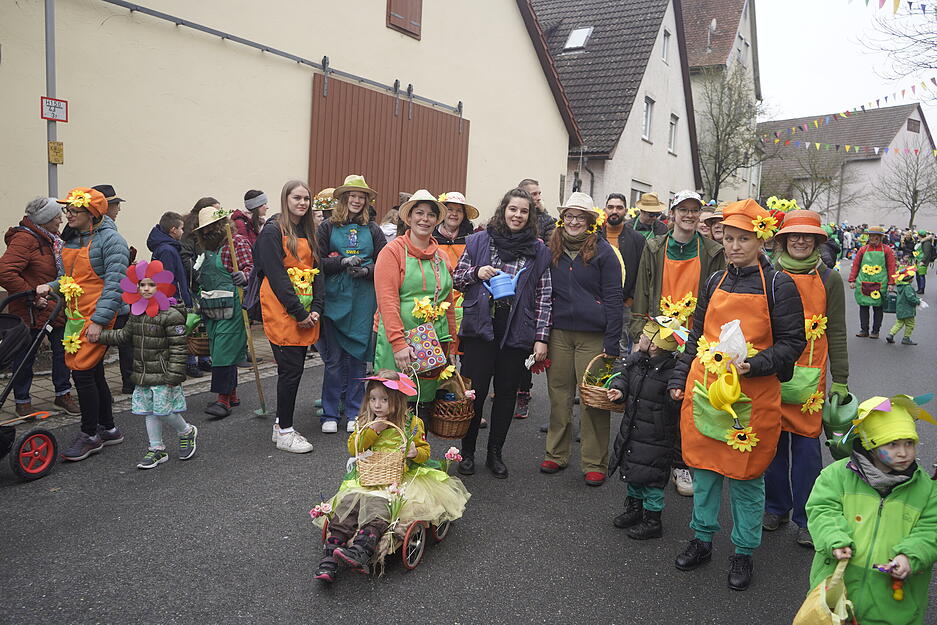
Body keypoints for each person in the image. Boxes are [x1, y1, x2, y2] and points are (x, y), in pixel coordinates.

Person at [667, 198, 805, 591]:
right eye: (728, 238)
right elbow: (696, 335)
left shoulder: (779, 285)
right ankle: (702, 539)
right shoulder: (714, 281)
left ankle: (743, 551)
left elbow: (793, 343)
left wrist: (755, 365)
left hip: (753, 397)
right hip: (707, 390)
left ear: (761, 240)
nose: (734, 246)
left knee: (746, 478)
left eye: (743, 238)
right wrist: (680, 376)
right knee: (706, 472)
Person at [312, 370, 470, 582]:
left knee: (380, 505)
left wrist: (415, 452)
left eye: (384, 400)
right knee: (348, 504)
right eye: (373, 399)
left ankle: (362, 549)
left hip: (398, 478)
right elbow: (354, 448)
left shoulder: (411, 423)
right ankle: (330, 557)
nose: (377, 405)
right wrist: (374, 429)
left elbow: (425, 451)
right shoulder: (366, 421)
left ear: (397, 400)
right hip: (369, 475)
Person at [805, 394, 937, 625]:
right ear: (871, 445)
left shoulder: (926, 489)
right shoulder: (836, 476)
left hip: (893, 604)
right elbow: (822, 510)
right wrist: (835, 539)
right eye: (892, 444)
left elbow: (931, 529)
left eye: (909, 443)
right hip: (837, 593)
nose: (903, 452)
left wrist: (910, 555)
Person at [763, 210, 849, 547]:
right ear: (783, 240)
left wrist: (841, 378)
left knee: (806, 451)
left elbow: (837, 331)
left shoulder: (830, 279)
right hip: (772, 371)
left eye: (807, 236)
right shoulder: (769, 274)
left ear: (816, 241)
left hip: (811, 378)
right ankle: (776, 507)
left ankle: (807, 516)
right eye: (794, 236)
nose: (800, 241)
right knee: (771, 446)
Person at [631, 189, 725, 497]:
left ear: (700, 215)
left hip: (696, 337)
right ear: (672, 214)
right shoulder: (654, 246)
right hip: (659, 334)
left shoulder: (712, 251)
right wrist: (641, 331)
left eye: (694, 210)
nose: (689, 215)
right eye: (683, 209)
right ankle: (655, 465)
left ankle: (682, 463)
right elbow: (643, 290)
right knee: (656, 403)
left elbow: (718, 297)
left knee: (686, 402)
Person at [454, 187, 551, 479]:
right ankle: (467, 452)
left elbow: (544, 296)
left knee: (507, 393)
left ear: (529, 216)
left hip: (517, 327)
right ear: (503, 210)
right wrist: (477, 272)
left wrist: (541, 337)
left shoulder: (538, 250)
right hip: (480, 326)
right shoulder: (479, 240)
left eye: (523, 211)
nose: (517, 215)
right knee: (475, 393)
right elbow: (456, 279)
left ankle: (495, 453)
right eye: (513, 209)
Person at [37, 187, 130, 461]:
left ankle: (90, 435)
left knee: (82, 373)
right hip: (76, 316)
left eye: (74, 211)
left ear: (91, 214)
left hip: (99, 316)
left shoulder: (112, 241)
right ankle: (109, 429)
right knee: (94, 372)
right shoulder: (73, 239)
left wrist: (99, 322)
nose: (68, 215)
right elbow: (69, 279)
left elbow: (115, 285)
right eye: (67, 210)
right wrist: (50, 287)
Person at [540, 192, 623, 487]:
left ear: (590, 221)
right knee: (559, 395)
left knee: (592, 399)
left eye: (580, 217)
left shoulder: (604, 252)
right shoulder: (551, 248)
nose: (574, 222)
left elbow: (614, 298)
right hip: (559, 333)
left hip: (594, 335)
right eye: (569, 216)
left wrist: (612, 342)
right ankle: (556, 453)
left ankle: (594, 462)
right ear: (562, 219)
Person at [95, 260, 198, 469]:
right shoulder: (137, 312)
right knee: (150, 412)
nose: (146, 289)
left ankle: (186, 431)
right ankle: (156, 449)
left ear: (161, 287)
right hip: (143, 373)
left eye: (151, 284)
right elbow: (124, 336)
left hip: (163, 373)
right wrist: (99, 336)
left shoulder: (171, 315)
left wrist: (174, 374)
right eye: (142, 285)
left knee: (163, 411)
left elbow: (178, 348)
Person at [253, 180, 324, 452]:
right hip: (282, 309)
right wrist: (299, 312)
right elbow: (276, 275)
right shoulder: (273, 231)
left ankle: (280, 425)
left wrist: (317, 307)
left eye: (306, 198)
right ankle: (285, 431)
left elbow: (318, 272)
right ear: (286, 199)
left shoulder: (309, 231)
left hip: (306, 309)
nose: (302, 203)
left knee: (293, 370)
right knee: (290, 371)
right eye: (297, 198)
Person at [373, 190, 457, 415]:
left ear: (436, 220)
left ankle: (419, 440)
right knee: (392, 405)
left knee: (423, 406)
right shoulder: (392, 252)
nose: (424, 219)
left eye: (431, 215)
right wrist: (399, 344)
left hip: (431, 344)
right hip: (397, 341)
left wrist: (451, 344)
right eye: (419, 213)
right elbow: (387, 301)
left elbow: (448, 301)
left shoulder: (441, 256)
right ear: (409, 218)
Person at [318, 175, 387, 433]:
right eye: (352, 196)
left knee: (357, 358)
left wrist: (367, 271)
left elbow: (385, 262)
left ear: (366, 201)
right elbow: (317, 262)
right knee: (334, 360)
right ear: (344, 199)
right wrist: (341, 262)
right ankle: (329, 413)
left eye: (361, 197)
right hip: (335, 299)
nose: (357, 200)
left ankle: (355, 412)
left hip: (362, 299)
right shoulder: (326, 227)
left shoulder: (373, 229)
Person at [0, 197, 79, 417]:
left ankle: (63, 394)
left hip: (56, 306)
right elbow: (4, 272)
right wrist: (32, 296)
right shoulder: (25, 239)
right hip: (31, 309)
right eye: (56, 217)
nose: (61, 220)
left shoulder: (52, 239)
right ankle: (22, 400)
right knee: (25, 355)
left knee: (63, 351)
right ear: (44, 220)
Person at [607, 316, 684, 540]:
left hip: (657, 437)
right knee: (633, 471)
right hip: (634, 429)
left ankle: (653, 520)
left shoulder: (672, 372)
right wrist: (619, 390)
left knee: (652, 480)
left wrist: (675, 397)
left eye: (644, 336)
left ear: (654, 345)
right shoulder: (637, 361)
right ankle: (634, 508)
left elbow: (674, 404)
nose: (639, 337)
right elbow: (623, 377)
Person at [193, 205, 250, 418]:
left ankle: (222, 401)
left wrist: (244, 276)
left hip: (232, 308)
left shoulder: (236, 243)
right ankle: (232, 395)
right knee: (220, 350)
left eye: (211, 227)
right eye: (204, 229)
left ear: (221, 225)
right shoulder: (208, 249)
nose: (207, 232)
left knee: (223, 352)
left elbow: (252, 268)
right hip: (211, 308)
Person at [147, 211, 199, 378]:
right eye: (181, 228)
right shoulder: (167, 250)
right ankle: (176, 369)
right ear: (173, 230)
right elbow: (168, 280)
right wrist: (180, 301)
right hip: (174, 302)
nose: (183, 232)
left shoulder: (167, 247)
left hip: (174, 300)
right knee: (176, 338)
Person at [600, 193, 646, 354]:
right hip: (597, 302)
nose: (614, 211)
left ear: (625, 211)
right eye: (611, 207)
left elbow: (641, 272)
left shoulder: (637, 239)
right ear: (604, 209)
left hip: (624, 304)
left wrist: (630, 299)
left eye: (619, 208)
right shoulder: (594, 236)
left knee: (621, 348)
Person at [849, 225, 897, 339]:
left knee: (878, 307)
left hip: (880, 283)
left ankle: (875, 331)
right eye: (871, 236)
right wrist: (852, 279)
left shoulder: (887, 250)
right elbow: (856, 265)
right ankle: (864, 330)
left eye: (875, 236)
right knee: (863, 306)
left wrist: (891, 283)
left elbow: (891, 267)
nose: (872, 238)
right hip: (863, 282)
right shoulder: (863, 249)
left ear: (881, 237)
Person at [434, 191, 478, 269]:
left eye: (459, 211)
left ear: (464, 215)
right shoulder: (431, 236)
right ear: (442, 213)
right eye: (450, 209)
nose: (454, 214)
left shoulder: (470, 239)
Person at [885, 265, 921, 346]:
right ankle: (906, 338)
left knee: (899, 323)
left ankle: (891, 334)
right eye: (912, 277)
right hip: (908, 310)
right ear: (909, 279)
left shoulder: (900, 287)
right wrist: (918, 301)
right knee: (910, 324)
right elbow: (910, 298)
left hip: (900, 309)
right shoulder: (908, 287)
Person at [913, 230, 934, 294]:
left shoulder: (926, 243)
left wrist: (923, 261)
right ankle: (919, 288)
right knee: (918, 275)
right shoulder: (921, 241)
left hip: (922, 261)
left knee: (921, 275)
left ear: (920, 235)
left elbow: (927, 253)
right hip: (918, 260)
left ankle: (921, 289)